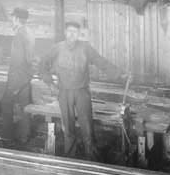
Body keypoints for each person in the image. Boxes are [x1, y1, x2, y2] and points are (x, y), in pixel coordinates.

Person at [38, 20, 127, 161]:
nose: (72, 34)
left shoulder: (85, 48)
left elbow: (100, 61)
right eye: (69, 31)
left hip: (82, 92)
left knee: (87, 125)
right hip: (64, 92)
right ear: (65, 32)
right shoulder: (57, 48)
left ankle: (91, 156)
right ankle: (70, 156)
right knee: (68, 126)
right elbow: (42, 65)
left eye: (75, 32)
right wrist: (50, 83)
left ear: (79, 34)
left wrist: (119, 74)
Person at [1, 7, 34, 146]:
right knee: (25, 106)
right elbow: (29, 58)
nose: (11, 20)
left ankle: (7, 137)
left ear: (16, 19)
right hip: (26, 75)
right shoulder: (29, 32)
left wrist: (13, 83)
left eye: (12, 18)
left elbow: (17, 60)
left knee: (6, 103)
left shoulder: (19, 35)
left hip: (18, 76)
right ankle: (24, 137)